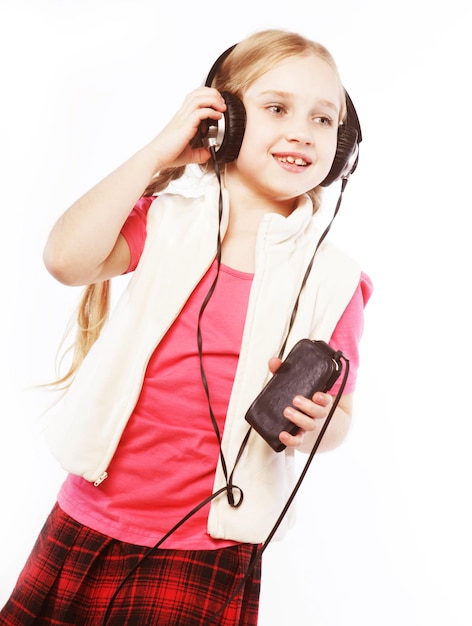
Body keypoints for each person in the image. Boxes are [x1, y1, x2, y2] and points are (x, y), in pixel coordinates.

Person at [0, 28, 372, 626]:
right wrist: (156, 153)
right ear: (223, 123)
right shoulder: (167, 223)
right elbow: (65, 259)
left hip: (212, 543)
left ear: (344, 145)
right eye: (276, 109)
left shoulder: (334, 280)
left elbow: (340, 417)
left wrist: (320, 429)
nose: (302, 130)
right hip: (93, 513)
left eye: (324, 120)